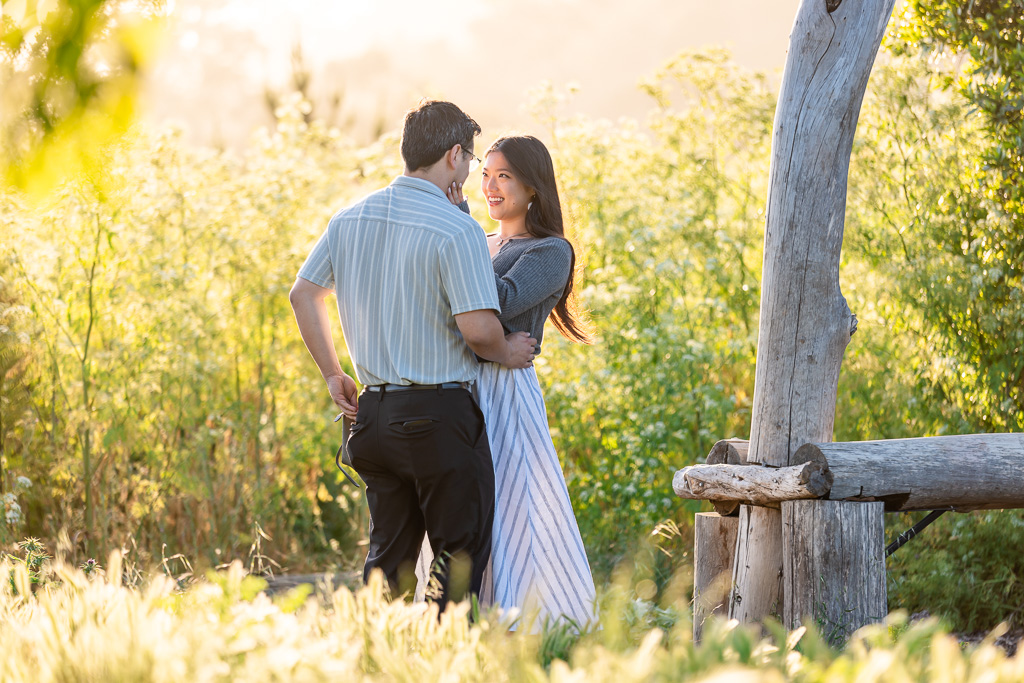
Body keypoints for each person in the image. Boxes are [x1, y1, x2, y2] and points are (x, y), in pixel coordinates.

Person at [289, 100, 537, 613]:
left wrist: (334, 374)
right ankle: (445, 665)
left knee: (388, 569)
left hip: (373, 419)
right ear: (453, 155)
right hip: (440, 421)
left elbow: (304, 294)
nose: (471, 173)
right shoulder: (457, 229)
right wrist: (507, 350)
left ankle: (382, 663)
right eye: (469, 159)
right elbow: (478, 331)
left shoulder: (349, 219)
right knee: (457, 565)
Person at [424, 134, 598, 628]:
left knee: (515, 503)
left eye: (504, 177)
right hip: (460, 385)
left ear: (533, 187)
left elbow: (495, 301)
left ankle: (534, 618)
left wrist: (458, 228)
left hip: (505, 388)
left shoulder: (549, 251)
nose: (490, 187)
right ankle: (459, 614)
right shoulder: (478, 240)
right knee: (462, 507)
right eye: (486, 175)